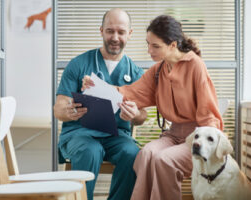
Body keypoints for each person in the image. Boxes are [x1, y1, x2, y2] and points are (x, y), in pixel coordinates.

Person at [82, 15, 223, 200]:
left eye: (155, 46)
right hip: (173, 135)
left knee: (163, 160)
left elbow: (208, 114)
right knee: (146, 153)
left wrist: (209, 145)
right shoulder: (158, 71)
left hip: (198, 137)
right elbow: (128, 92)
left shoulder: (195, 66)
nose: (149, 50)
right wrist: (97, 86)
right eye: (148, 44)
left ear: (173, 45)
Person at [54, 8, 147, 200]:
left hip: (117, 136)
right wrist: (70, 109)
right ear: (101, 31)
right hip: (80, 134)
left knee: (132, 154)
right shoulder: (79, 64)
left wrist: (134, 115)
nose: (115, 37)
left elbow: (142, 116)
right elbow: (58, 109)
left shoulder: (136, 73)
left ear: (129, 34)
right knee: (90, 150)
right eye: (110, 31)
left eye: (121, 32)